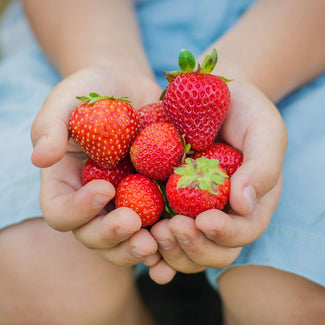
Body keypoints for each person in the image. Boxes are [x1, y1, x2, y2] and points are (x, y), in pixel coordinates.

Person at [0, 0, 324, 324]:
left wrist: (242, 76)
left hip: (291, 53)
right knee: (30, 266)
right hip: (81, 36)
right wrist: (107, 64)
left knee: (297, 303)